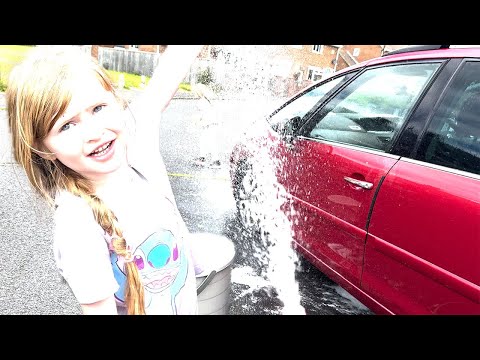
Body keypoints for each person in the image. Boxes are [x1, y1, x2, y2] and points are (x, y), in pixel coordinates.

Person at [6, 45, 205, 315]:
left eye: (98, 108)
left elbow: (170, 71)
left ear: (116, 101)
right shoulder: (78, 223)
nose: (94, 132)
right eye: (67, 125)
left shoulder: (134, 138)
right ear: (44, 148)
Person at [190, 83, 222, 169]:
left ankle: (216, 161)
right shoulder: (206, 100)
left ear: (198, 92)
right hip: (211, 124)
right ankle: (202, 158)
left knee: (210, 142)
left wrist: (196, 122)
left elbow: (200, 115)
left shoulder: (201, 102)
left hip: (210, 125)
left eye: (194, 92)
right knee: (204, 141)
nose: (193, 94)